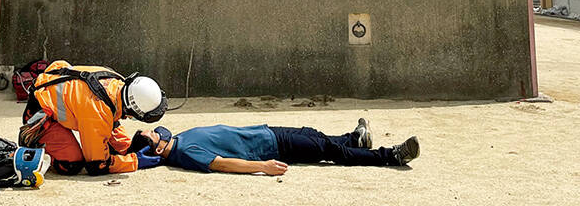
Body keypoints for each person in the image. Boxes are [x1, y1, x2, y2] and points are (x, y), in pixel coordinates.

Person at [23, 61, 168, 176]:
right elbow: (97, 165)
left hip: (53, 84)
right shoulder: (97, 113)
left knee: (121, 146)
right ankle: (34, 141)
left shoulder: (117, 81)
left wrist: (128, 150)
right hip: (41, 111)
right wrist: (134, 161)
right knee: (71, 164)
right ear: (133, 112)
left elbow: (111, 116)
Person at [137, 118, 420, 174]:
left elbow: (159, 128)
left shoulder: (177, 139)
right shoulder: (184, 152)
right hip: (271, 149)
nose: (154, 131)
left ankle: (354, 138)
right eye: (151, 135)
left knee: (314, 134)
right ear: (157, 149)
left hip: (267, 132)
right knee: (330, 152)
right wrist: (263, 167)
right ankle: (391, 156)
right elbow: (222, 163)